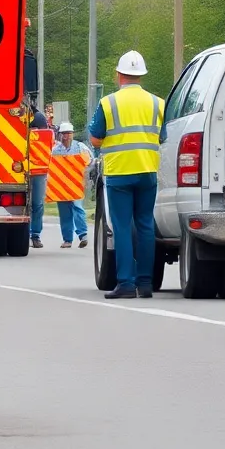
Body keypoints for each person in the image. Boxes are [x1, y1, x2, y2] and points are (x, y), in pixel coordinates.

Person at [88, 50, 166, 299]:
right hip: (147, 171)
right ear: (141, 75)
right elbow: (162, 137)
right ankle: (145, 283)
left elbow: (95, 138)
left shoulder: (108, 103)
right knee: (145, 225)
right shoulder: (158, 102)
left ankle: (125, 283)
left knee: (121, 227)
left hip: (120, 172)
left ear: (119, 74)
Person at [51, 122, 93, 249]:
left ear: (72, 134)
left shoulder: (81, 147)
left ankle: (83, 235)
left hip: (76, 185)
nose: (66, 136)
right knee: (64, 213)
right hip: (61, 186)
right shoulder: (55, 151)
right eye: (64, 133)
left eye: (69, 133)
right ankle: (67, 240)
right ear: (60, 135)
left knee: (77, 207)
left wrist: (83, 174)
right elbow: (52, 168)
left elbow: (90, 161)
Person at [28, 106, 49, 248]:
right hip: (17, 167)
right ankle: (24, 233)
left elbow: (44, 142)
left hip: (37, 169)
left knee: (37, 204)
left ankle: (35, 235)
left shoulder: (38, 117)